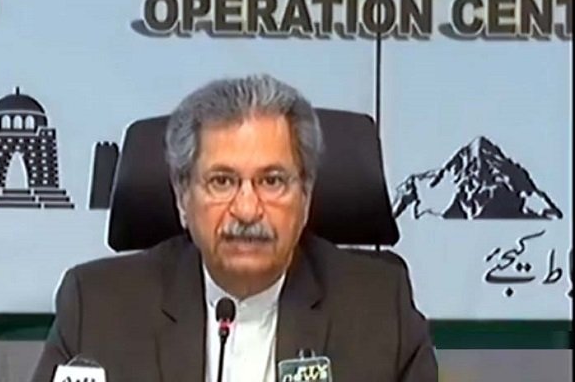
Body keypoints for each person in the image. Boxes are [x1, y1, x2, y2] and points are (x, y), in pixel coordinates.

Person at [30, 75, 438, 382]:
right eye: (222, 181)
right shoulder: (96, 308)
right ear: (182, 198)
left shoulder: (380, 311)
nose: (246, 209)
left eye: (272, 181)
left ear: (306, 196)